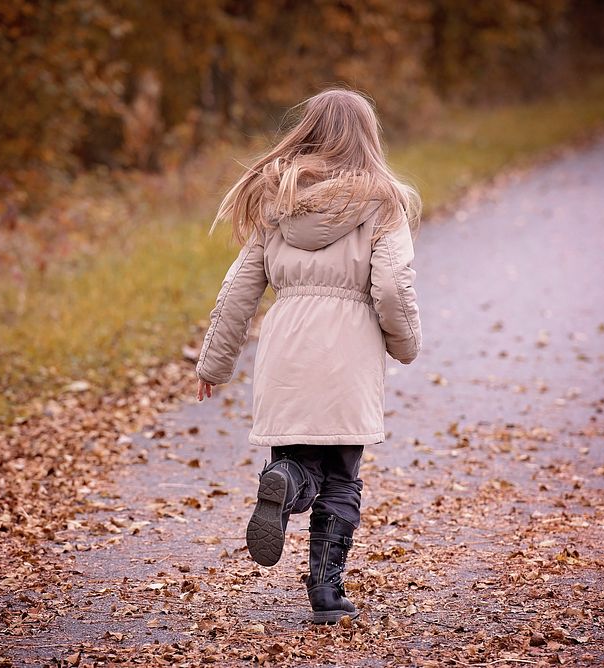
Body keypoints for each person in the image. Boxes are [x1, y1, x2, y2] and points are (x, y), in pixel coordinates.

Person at [194, 88, 422, 624]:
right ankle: (326, 593)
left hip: (287, 346)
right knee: (342, 476)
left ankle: (288, 480)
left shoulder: (276, 201)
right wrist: (405, 344)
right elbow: (391, 286)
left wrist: (214, 365)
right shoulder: (384, 203)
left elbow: (239, 289)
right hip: (348, 352)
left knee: (295, 454)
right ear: (369, 137)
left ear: (308, 132)